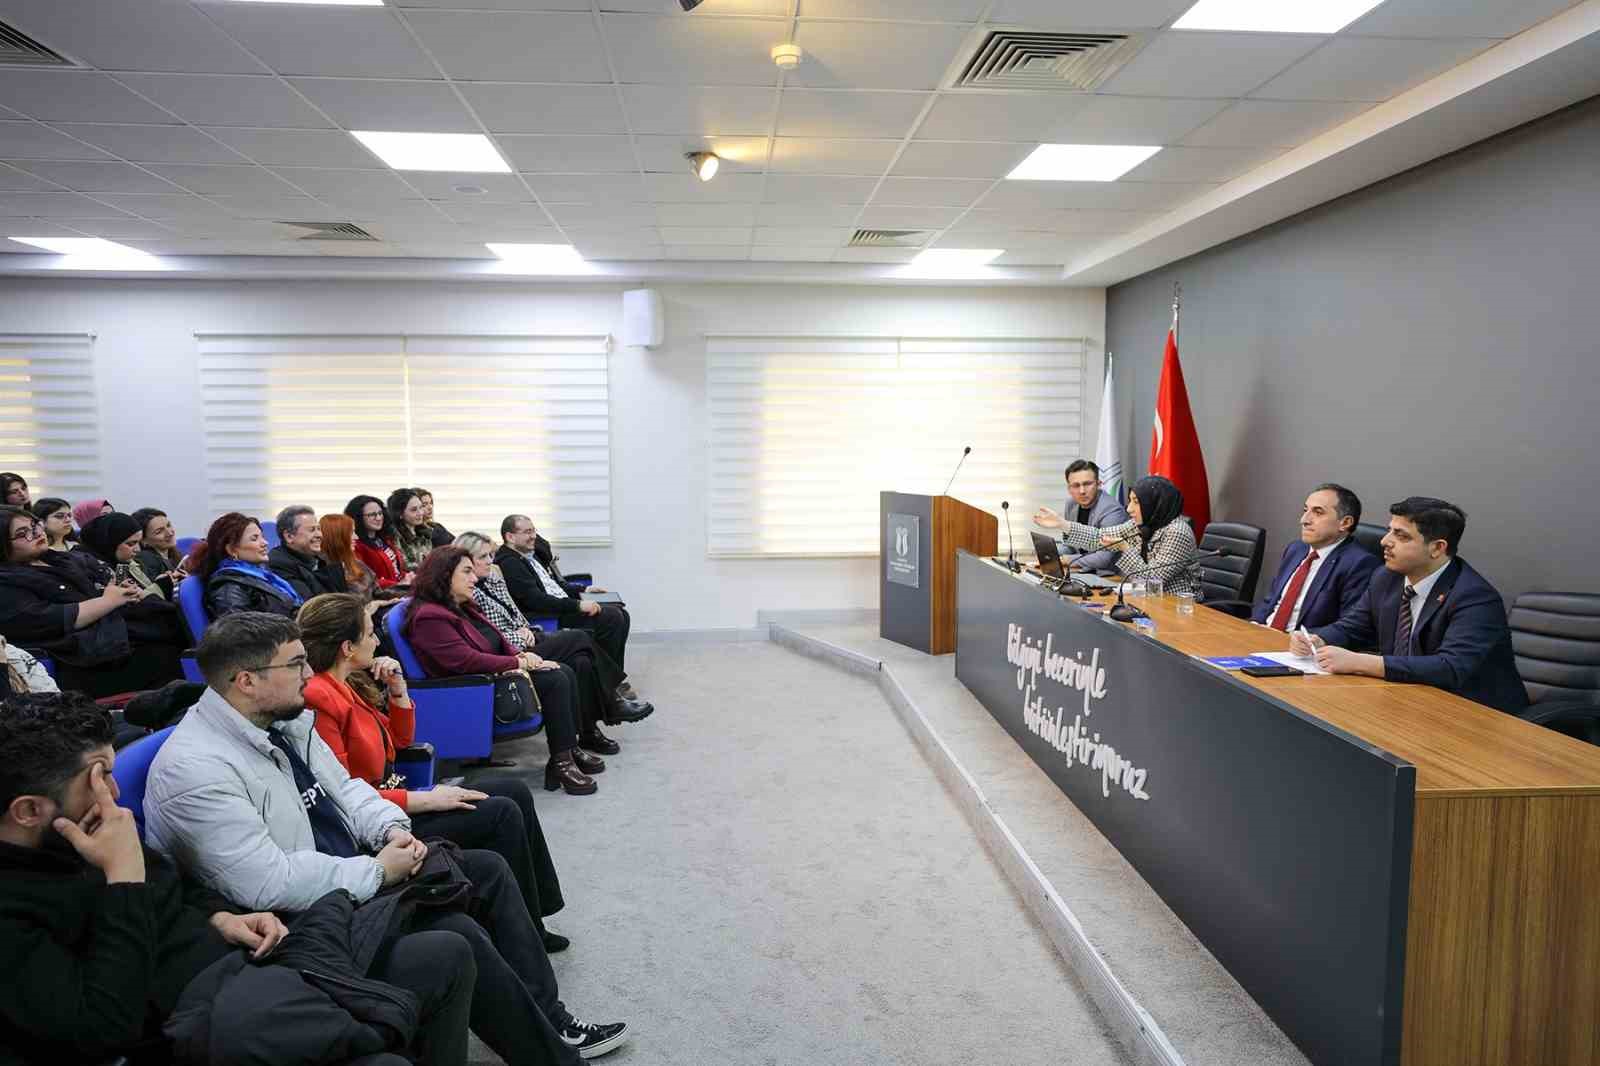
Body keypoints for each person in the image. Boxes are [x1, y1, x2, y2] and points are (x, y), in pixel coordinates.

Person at [144, 612, 630, 1061]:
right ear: (247, 681)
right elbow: (266, 884)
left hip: (339, 877)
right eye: (295, 665)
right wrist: (378, 871)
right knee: (454, 935)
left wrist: (392, 831)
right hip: (297, 919)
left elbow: (347, 790)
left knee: (486, 870)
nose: (308, 674)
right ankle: (551, 1053)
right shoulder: (196, 769)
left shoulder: (279, 720)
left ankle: (549, 1019)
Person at [0, 690, 478, 1066]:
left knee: (447, 953)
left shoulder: (84, 826)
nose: (115, 789)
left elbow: (179, 887)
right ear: (28, 811)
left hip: (249, 966)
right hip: (197, 1022)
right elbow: (101, 1026)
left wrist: (220, 916)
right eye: (99, 776)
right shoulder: (16, 905)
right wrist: (123, 883)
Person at [297, 592, 571, 953]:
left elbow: (397, 743)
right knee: (501, 812)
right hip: (378, 823)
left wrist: (398, 692)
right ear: (347, 647)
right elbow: (343, 795)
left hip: (394, 796)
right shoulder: (320, 697)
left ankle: (535, 915)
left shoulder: (347, 683)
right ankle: (525, 931)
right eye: (370, 634)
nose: (377, 641)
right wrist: (426, 799)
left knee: (514, 791)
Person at [1290, 497, 1528, 713]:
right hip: (1407, 699)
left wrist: (1362, 663)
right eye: (1389, 531)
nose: (1385, 541)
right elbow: (1353, 627)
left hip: (1474, 712)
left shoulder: (1474, 597)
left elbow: (1450, 667)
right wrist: (1318, 639)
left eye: (1401, 536)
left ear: (1437, 548)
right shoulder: (1386, 578)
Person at [404, 548, 602, 795]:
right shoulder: (429, 617)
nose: (474, 578)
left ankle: (567, 751)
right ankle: (562, 763)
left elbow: (496, 638)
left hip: (492, 673)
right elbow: (465, 661)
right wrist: (518, 664)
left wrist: (520, 656)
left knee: (565, 670)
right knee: (555, 677)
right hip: (472, 690)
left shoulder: (460, 605)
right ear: (444, 575)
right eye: (466, 572)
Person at [458, 531, 650, 751]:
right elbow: (487, 637)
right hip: (513, 652)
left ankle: (588, 733)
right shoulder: (469, 591)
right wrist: (518, 636)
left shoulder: (492, 579)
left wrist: (524, 628)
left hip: (528, 635)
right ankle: (611, 698)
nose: (490, 561)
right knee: (581, 638)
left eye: (490, 555)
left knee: (581, 660)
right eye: (483, 557)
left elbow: (515, 612)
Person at [0, 506, 184, 698]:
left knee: (170, 621)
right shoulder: (6, 583)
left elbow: (95, 593)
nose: (37, 533)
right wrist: (108, 600)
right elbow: (52, 619)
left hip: (110, 634)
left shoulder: (58, 559)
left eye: (35, 525)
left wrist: (117, 593)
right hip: (82, 659)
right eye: (22, 533)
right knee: (169, 655)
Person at [497, 516, 642, 702]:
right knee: (612, 618)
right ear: (510, 536)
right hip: (549, 615)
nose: (534, 536)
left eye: (534, 530)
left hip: (560, 606)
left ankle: (611, 681)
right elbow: (537, 600)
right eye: (527, 532)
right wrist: (578, 605)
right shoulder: (510, 563)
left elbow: (554, 586)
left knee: (622, 614)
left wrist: (583, 590)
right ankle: (608, 686)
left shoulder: (528, 555)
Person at [1034, 475, 1200, 596]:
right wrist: (1062, 524)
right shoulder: (1142, 524)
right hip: (1147, 598)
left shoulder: (1177, 532)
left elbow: (1152, 580)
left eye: (1136, 502)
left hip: (1178, 605)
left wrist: (1125, 548)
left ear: (1154, 504)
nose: (1129, 509)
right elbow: (1100, 537)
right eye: (1130, 501)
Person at [1252, 483, 1381, 632]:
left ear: (1345, 523)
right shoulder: (1296, 549)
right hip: (1262, 634)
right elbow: (1271, 600)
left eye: (1318, 512)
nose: (1304, 520)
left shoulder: (1359, 564)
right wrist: (1254, 624)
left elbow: (1349, 627)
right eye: (1305, 510)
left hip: (1299, 642)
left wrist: (1301, 638)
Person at [190, 512, 303, 620]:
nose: (265, 543)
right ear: (232, 550)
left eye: (262, 537)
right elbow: (240, 631)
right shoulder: (229, 588)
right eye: (254, 539)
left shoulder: (261, 574)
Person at [1031, 460, 1130, 574]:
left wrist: (1065, 560)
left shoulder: (1112, 510)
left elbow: (1103, 559)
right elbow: (1070, 546)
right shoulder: (1071, 504)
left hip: (1109, 576)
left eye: (1087, 484)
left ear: (1099, 484)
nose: (1082, 491)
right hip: (1082, 571)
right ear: (1069, 489)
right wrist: (1048, 554)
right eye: (1076, 485)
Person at [80, 511, 174, 601]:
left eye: (138, 542)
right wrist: (160, 587)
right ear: (111, 544)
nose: (138, 549)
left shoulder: (128, 563)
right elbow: (129, 607)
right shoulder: (94, 572)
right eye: (131, 544)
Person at [269, 505, 349, 601]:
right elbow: (312, 604)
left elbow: (343, 597)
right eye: (312, 530)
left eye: (319, 529)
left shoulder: (319, 559)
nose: (319, 535)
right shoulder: (279, 564)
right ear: (289, 536)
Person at [345, 495, 410, 590]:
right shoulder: (356, 546)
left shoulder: (384, 539)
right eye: (372, 515)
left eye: (380, 513)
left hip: (400, 589)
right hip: (384, 593)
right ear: (358, 518)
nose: (379, 518)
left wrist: (408, 577)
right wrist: (398, 585)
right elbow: (364, 580)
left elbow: (397, 570)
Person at [321, 512, 388, 602]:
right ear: (338, 536)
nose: (356, 537)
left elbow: (378, 592)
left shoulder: (355, 563)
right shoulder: (325, 573)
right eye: (351, 533)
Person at [130, 507, 187, 582]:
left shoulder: (173, 554)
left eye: (168, 525)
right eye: (159, 532)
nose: (170, 533)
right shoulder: (146, 559)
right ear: (143, 540)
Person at [389, 489, 433, 574]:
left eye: (421, 507)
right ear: (400, 513)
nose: (420, 513)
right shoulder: (395, 537)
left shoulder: (425, 533)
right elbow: (406, 567)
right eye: (414, 510)